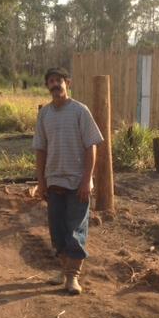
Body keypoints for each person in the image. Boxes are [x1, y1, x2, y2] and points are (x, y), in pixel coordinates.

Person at [33, 67, 103, 295]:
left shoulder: (80, 111)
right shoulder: (45, 114)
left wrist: (87, 180)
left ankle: (73, 277)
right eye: (51, 81)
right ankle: (64, 270)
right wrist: (41, 182)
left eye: (58, 81)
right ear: (47, 86)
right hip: (54, 182)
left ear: (68, 83)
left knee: (75, 230)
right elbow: (40, 150)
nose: (55, 85)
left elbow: (91, 146)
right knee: (57, 231)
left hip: (77, 183)